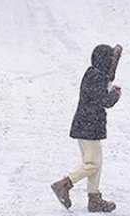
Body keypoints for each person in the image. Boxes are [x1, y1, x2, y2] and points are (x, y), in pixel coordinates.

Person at [51, 45, 122, 213]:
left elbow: (107, 79)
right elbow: (104, 100)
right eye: (110, 59)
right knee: (93, 163)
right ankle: (63, 184)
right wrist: (115, 94)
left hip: (86, 124)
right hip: (89, 125)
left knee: (94, 162)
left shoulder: (94, 73)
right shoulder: (96, 77)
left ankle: (94, 199)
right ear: (104, 60)